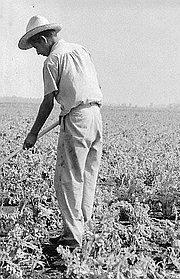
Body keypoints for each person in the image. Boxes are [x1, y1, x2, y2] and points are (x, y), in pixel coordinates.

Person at [18, 15, 103, 248]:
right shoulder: (81, 50)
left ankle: (72, 239)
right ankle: (82, 229)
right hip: (95, 115)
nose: (37, 52)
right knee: (87, 175)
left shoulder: (52, 60)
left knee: (68, 178)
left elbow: (48, 102)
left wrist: (33, 133)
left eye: (36, 46)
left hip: (76, 119)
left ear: (44, 39)